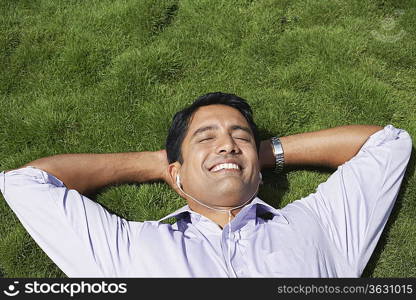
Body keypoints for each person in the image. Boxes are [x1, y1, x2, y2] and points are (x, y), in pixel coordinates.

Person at [0, 92, 412, 277]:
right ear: (176, 175)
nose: (227, 144)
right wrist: (159, 164)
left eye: (240, 136)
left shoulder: (319, 226)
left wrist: (252, 156)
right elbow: (26, 184)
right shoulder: (127, 250)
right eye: (206, 138)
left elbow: (388, 143)